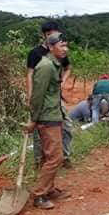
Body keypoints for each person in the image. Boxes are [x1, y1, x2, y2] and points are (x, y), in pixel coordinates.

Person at [24, 33, 71, 209]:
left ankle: (49, 189)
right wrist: (34, 120)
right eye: (61, 45)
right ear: (51, 47)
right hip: (46, 117)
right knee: (56, 158)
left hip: (53, 114)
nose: (65, 49)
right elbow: (37, 95)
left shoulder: (54, 65)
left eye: (66, 45)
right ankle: (39, 195)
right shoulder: (45, 67)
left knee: (49, 156)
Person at [26, 20, 72, 169]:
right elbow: (30, 75)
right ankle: (40, 161)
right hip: (42, 97)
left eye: (53, 33)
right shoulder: (35, 53)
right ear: (44, 35)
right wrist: (31, 95)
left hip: (55, 98)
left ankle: (64, 157)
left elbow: (68, 68)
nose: (51, 36)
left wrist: (62, 83)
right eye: (48, 34)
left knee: (66, 126)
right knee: (39, 130)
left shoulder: (60, 51)